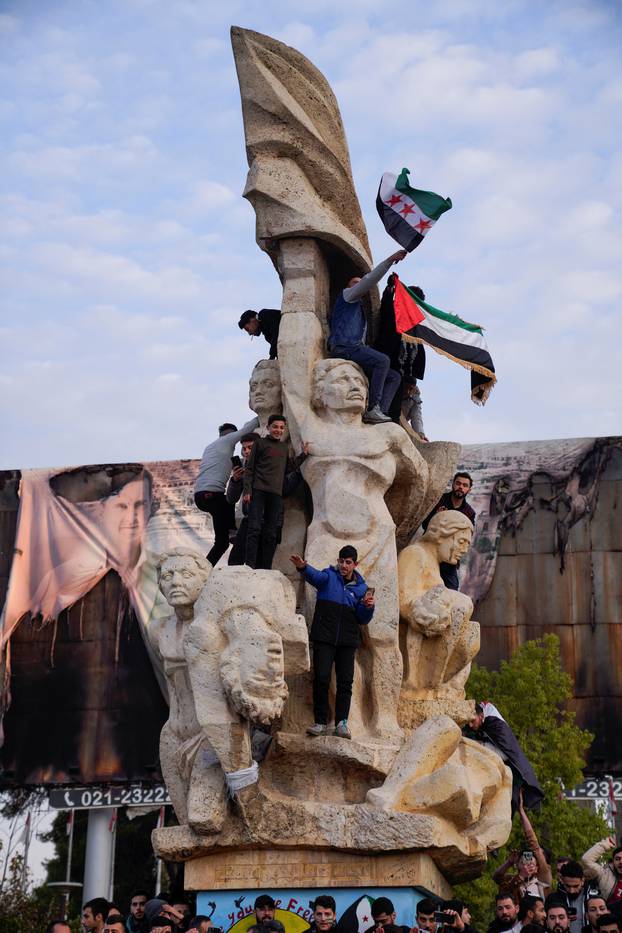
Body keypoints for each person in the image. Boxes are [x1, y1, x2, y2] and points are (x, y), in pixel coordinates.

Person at [290, 545, 375, 739]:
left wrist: (368, 607)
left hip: (347, 642)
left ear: (355, 564)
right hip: (324, 638)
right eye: (341, 561)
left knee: (345, 683)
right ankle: (320, 722)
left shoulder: (362, 589)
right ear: (337, 561)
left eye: (348, 562)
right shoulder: (328, 577)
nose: (344, 565)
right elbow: (315, 577)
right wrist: (303, 567)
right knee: (321, 678)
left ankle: (341, 723)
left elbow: (362, 618)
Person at [328, 249, 407, 424]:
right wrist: (389, 260)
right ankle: (373, 408)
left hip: (355, 349)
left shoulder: (359, 311)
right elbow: (369, 279)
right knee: (382, 361)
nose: (359, 285)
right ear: (350, 287)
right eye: (355, 283)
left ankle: (380, 414)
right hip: (344, 347)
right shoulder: (347, 296)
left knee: (394, 376)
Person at [243, 414, 309, 570]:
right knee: (254, 529)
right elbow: (249, 469)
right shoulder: (260, 444)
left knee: (271, 533)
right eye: (275, 427)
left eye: (281, 427)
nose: (278, 430)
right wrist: (247, 491)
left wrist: (304, 455)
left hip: (276, 495)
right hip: (258, 492)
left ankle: (266, 567)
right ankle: (249, 565)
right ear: (268, 428)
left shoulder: (283, 448)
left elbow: (289, 468)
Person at [194, 417, 260, 566]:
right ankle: (233, 531)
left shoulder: (210, 448)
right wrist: (258, 417)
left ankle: (204, 569)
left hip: (202, 497)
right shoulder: (226, 441)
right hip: (212, 495)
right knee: (227, 502)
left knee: (222, 543)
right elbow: (246, 429)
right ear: (230, 435)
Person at [467, 702, 544, 815]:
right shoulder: (480, 718)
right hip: (497, 766)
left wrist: (480, 745)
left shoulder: (496, 725)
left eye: (473, 721)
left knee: (509, 805)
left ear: (481, 716)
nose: (470, 725)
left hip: (513, 770)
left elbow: (504, 754)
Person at [422, 472, 476, 589]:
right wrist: (436, 517)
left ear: (469, 490)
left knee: (452, 588)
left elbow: (468, 535)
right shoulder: (439, 500)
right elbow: (424, 525)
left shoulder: (469, 512)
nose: (461, 487)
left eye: (465, 485)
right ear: (453, 484)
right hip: (430, 552)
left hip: (449, 557)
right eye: (458, 483)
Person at [493, 792, 552, 897]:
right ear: (518, 865)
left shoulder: (542, 880)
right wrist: (509, 863)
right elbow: (497, 878)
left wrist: (521, 811)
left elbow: (535, 846)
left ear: (538, 867)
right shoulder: (513, 880)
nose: (527, 865)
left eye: (531, 863)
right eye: (523, 862)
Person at [556, 861, 598, 933]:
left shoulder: (594, 897)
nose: (571, 891)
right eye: (568, 886)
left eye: (575, 886)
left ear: (583, 880)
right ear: (562, 880)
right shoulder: (554, 898)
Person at [582, 837, 622, 908]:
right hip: (609, 917)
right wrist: (604, 845)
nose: (621, 862)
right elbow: (586, 859)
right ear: (613, 862)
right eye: (617, 859)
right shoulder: (604, 874)